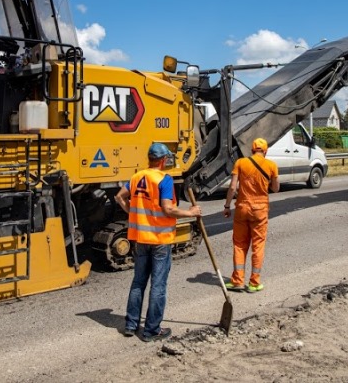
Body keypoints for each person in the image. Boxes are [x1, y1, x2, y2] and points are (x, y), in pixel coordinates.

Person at [115, 142, 202, 341]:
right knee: (158, 285)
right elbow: (168, 209)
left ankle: (130, 324)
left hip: (141, 239)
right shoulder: (164, 179)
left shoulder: (137, 177)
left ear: (149, 158)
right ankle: (152, 330)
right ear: (163, 160)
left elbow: (120, 197)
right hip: (160, 238)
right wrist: (190, 212)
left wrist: (134, 214)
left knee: (138, 282)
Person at [223, 137, 279, 293]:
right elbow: (275, 189)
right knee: (258, 245)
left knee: (240, 244)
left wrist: (227, 206)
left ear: (253, 150)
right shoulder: (271, 165)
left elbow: (233, 187)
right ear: (265, 151)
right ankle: (254, 283)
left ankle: (237, 281)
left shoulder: (241, 163)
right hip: (260, 210)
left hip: (242, 208)